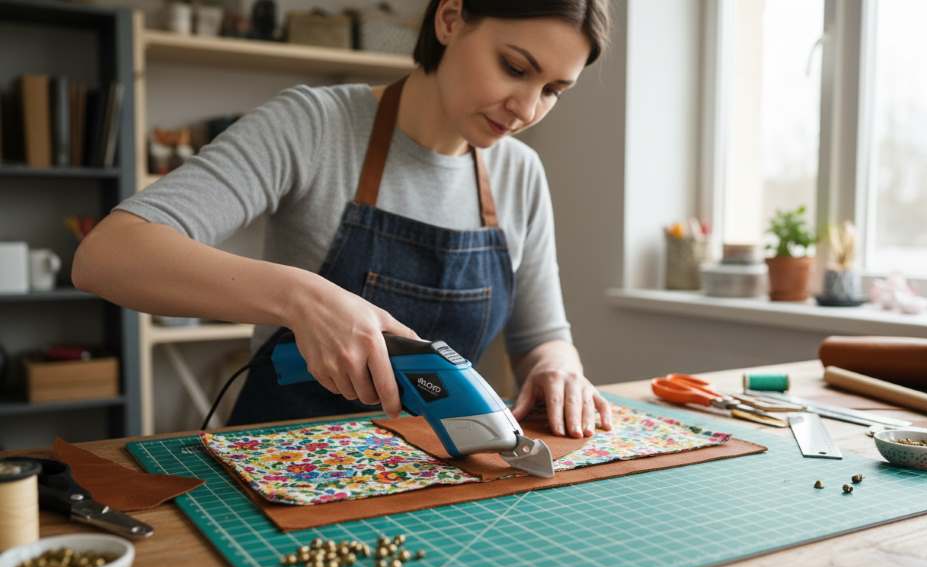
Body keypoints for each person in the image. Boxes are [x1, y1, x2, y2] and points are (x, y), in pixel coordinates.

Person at [72, 0, 614, 438]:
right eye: (514, 68)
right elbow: (107, 254)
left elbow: (541, 336)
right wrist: (302, 298)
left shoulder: (521, 172)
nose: (527, 109)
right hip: (285, 465)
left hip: (441, 466)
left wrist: (556, 367)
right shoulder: (314, 126)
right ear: (450, 18)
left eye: (552, 91)